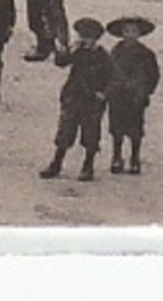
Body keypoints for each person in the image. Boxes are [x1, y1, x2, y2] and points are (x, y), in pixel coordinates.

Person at [38, 17, 113, 181]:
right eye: (83, 36)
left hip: (93, 100)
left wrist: (104, 94)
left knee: (91, 134)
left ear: (96, 39)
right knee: (65, 131)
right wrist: (64, 49)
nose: (85, 40)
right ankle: (56, 163)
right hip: (74, 96)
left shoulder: (103, 56)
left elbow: (112, 78)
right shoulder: (78, 52)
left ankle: (88, 165)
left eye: (89, 37)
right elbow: (61, 63)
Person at [105, 16, 160, 174]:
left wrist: (146, 91)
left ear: (140, 34)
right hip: (117, 96)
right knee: (116, 128)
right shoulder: (115, 52)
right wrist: (110, 90)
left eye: (134, 31)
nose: (130, 34)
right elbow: (108, 72)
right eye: (127, 31)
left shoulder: (146, 54)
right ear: (121, 33)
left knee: (135, 128)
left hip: (136, 97)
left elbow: (153, 75)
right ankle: (116, 157)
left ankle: (135, 158)